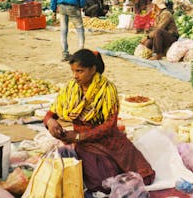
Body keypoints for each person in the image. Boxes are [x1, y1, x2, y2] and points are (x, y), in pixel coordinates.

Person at [43, 49, 155, 192]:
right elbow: (51, 112)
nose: (75, 76)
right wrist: (50, 122)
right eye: (73, 71)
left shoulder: (107, 89)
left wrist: (79, 136)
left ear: (93, 69)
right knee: (99, 181)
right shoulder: (70, 87)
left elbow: (110, 124)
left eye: (80, 71)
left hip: (108, 139)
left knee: (140, 177)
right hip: (84, 143)